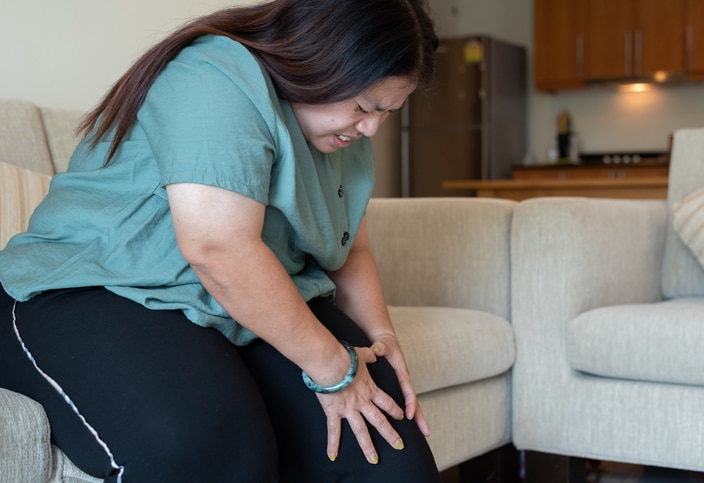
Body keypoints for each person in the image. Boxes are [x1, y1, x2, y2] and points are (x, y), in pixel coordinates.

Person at [0, 0, 441, 482]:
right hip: (98, 287)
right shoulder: (216, 76)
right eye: (363, 107)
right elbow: (219, 249)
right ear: (318, 61)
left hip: (233, 303)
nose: (371, 128)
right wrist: (335, 367)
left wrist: (382, 337)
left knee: (391, 458)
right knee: (213, 450)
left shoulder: (341, 141)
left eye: (385, 113)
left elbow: (349, 247)